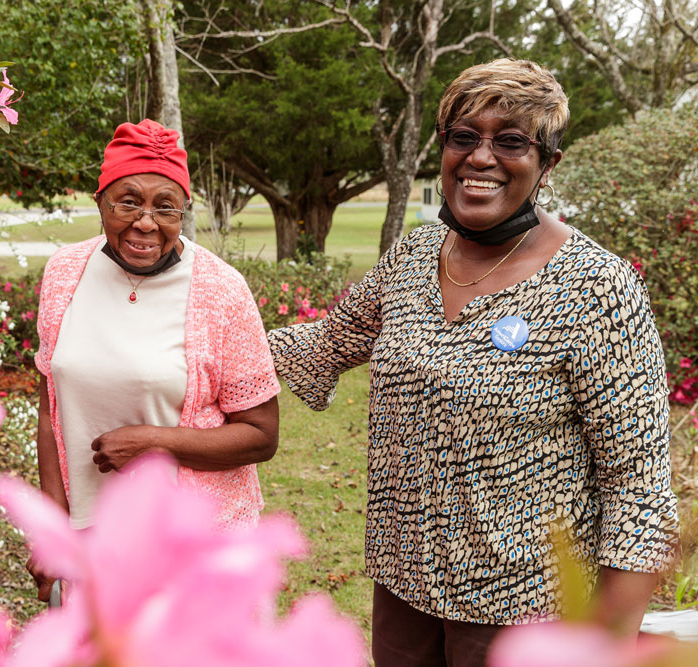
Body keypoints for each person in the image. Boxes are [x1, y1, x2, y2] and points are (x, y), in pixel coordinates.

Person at [268, 59, 679, 666]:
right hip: (404, 587)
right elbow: (327, 345)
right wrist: (199, 333)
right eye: (465, 137)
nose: (481, 157)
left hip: (524, 613)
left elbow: (639, 489)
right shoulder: (413, 257)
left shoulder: (598, 287)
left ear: (547, 164)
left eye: (510, 141)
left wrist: (604, 643)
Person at [28, 118, 281, 602]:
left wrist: (153, 443)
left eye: (165, 207)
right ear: (99, 201)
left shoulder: (222, 290)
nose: (145, 222)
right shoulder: (64, 272)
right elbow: (49, 410)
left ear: (183, 212)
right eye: (128, 201)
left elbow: (261, 435)